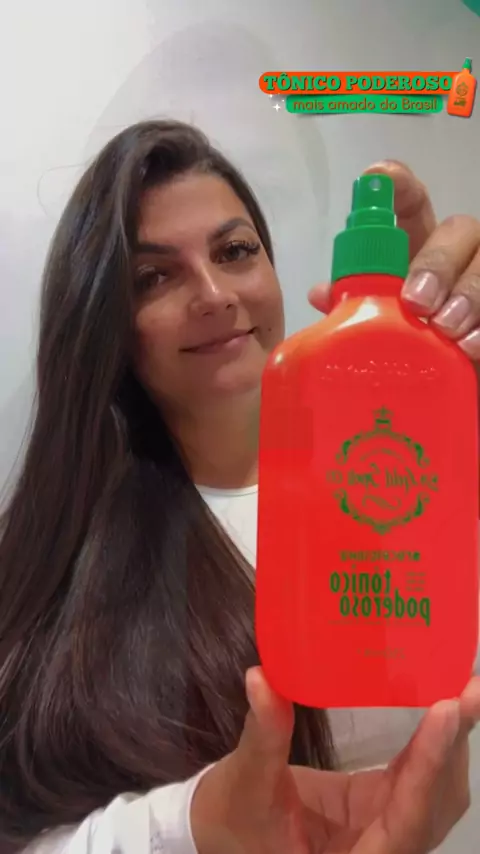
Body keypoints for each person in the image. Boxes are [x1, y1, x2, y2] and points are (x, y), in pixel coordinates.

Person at [0, 119, 479, 854]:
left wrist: (445, 400)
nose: (215, 294)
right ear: (105, 324)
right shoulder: (64, 552)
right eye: (155, 277)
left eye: (235, 251)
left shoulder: (402, 482)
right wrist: (194, 827)